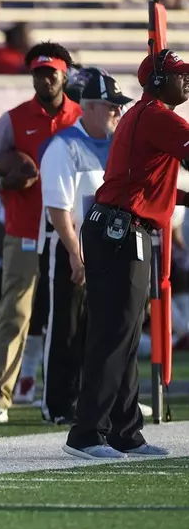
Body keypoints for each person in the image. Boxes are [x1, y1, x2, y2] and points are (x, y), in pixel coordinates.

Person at [63, 51, 189, 460]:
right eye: (179, 76)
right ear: (156, 80)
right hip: (120, 230)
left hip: (120, 227)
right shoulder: (156, 116)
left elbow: (151, 183)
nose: (186, 82)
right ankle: (86, 434)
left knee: (127, 333)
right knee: (115, 334)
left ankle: (124, 432)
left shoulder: (146, 115)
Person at [0, 42, 82, 425]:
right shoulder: (15, 118)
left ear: (65, 73)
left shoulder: (82, 116)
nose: (45, 78)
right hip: (26, 227)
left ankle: (78, 393)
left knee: (76, 314)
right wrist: (7, 176)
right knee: (15, 313)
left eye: (50, 71)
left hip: (72, 231)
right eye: (38, 72)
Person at [37, 71, 130, 426]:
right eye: (111, 107)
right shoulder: (65, 146)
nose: (117, 114)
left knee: (101, 328)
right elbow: (59, 208)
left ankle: (95, 399)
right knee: (66, 325)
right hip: (69, 244)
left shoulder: (116, 144)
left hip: (106, 247)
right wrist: (75, 253)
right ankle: (58, 402)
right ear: (88, 107)